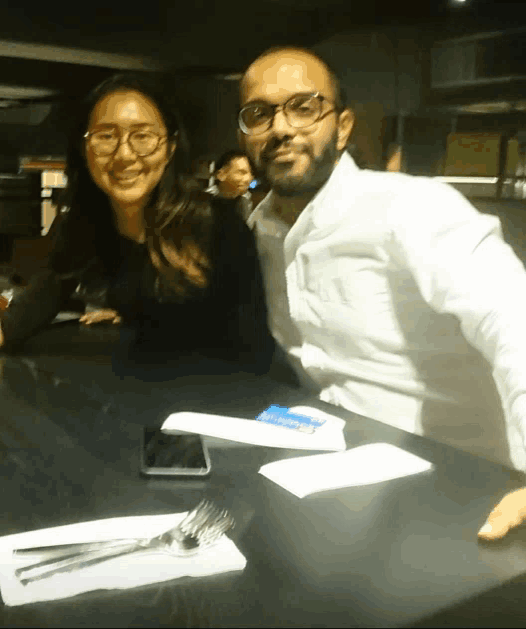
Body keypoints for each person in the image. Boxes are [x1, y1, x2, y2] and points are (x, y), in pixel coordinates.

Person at [238, 45, 526, 541]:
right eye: (259, 113)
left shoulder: (411, 208)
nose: (281, 127)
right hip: (331, 480)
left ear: (343, 127)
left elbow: (512, 319)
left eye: (304, 107)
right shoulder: (258, 230)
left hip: (461, 488)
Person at [0, 72, 273, 380]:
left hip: (220, 396)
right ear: (84, 148)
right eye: (106, 136)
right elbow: (43, 296)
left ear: (170, 148)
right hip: (141, 391)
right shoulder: (90, 221)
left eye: (143, 136)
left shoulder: (218, 226)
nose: (125, 154)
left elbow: (251, 350)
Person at [207, 150, 254, 222]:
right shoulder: (205, 201)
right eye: (241, 172)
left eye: (250, 173)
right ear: (221, 175)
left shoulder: (245, 201)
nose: (249, 178)